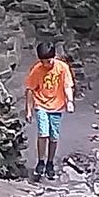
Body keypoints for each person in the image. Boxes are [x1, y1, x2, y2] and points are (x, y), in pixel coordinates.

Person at [24, 42, 75, 180]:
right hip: (41, 104)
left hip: (57, 106)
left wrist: (69, 101)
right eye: (46, 61)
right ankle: (41, 161)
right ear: (41, 61)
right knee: (43, 133)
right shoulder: (37, 70)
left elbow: (67, 86)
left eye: (51, 59)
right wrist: (28, 110)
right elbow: (30, 89)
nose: (50, 63)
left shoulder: (62, 68)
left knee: (54, 137)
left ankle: (50, 163)